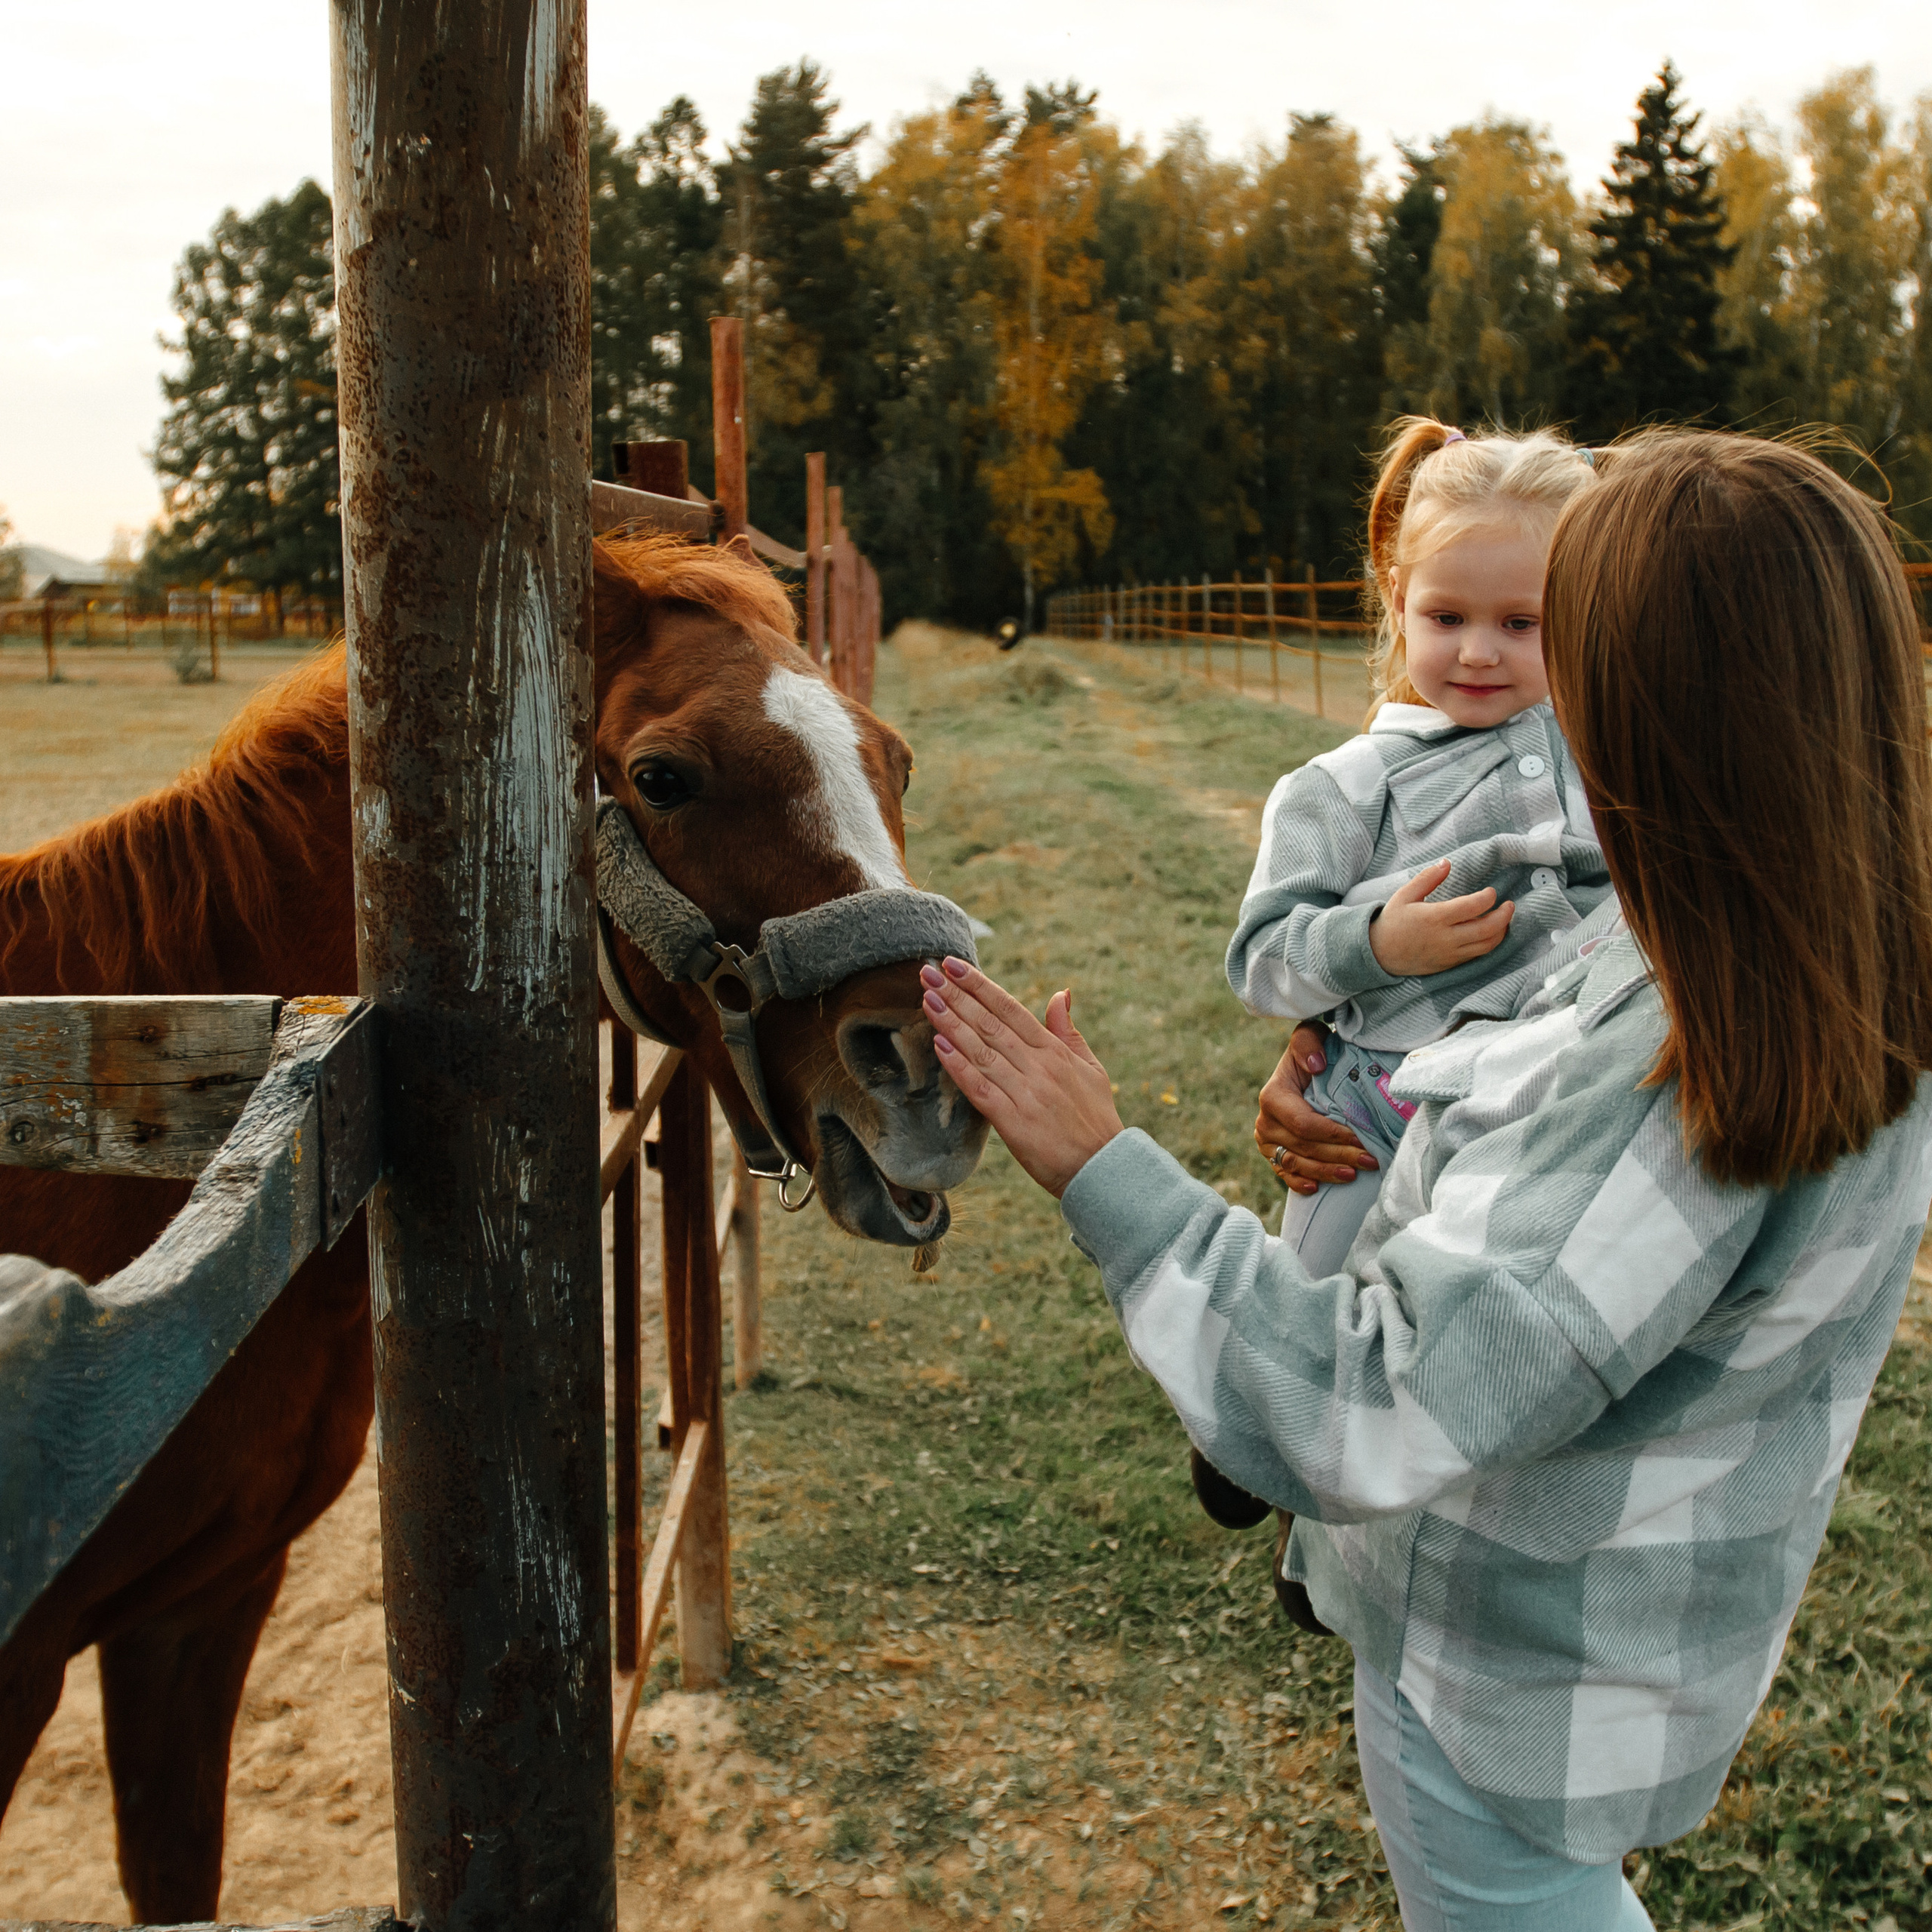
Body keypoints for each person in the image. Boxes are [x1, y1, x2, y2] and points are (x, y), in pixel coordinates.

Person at [915, 432, 1932, 1930]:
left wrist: (1097, 1160)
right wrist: (1328, 1061)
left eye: (1562, 639)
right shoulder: (1784, 955)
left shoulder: (1679, 1052)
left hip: (1495, 1664)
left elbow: (1378, 1399)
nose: (1531, 686)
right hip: (1596, 1632)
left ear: (1646, 699)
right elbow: (1512, 1065)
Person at [1232, 417, 1611, 1278]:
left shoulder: (1607, 756)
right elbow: (1259, 959)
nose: (1479, 652)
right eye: (1447, 615)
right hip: (1373, 1121)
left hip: (1542, 1118)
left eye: (1522, 623)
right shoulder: (1346, 784)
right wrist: (1375, 946)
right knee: (1314, 1325)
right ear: (1397, 598)